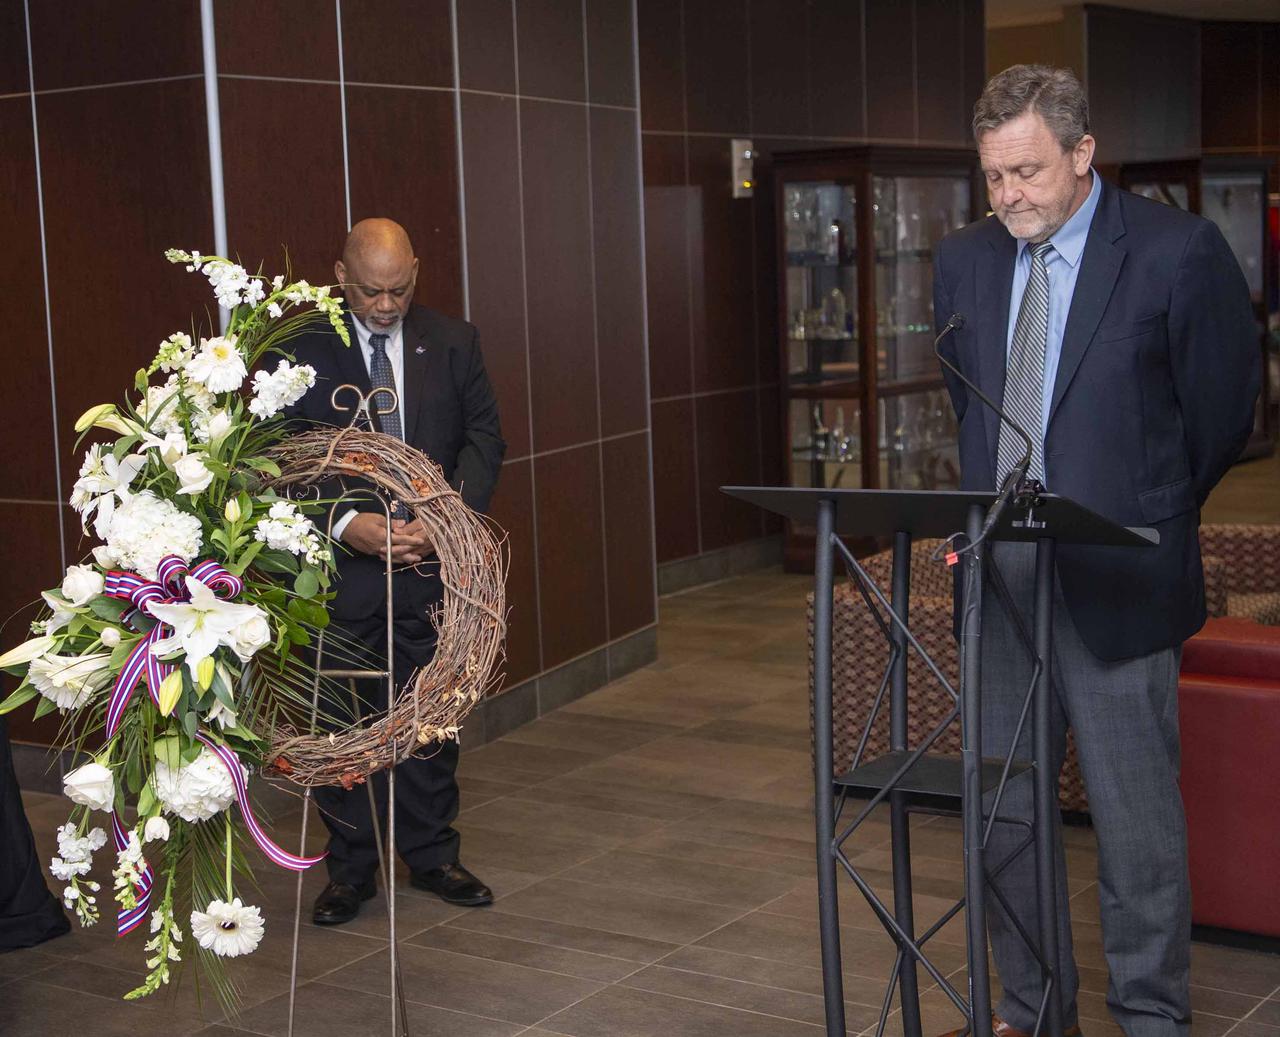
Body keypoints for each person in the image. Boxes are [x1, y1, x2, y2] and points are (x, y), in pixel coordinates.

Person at [932, 66, 1260, 1037]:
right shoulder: (964, 260)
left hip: (1118, 575)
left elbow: (1215, 417)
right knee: (1002, 821)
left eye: (1027, 171)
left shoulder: (1174, 251)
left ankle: (1149, 1014)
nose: (1009, 197)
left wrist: (1144, 511)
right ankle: (1033, 1016)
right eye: (993, 176)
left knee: (1135, 829)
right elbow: (967, 406)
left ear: (1081, 155)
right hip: (999, 583)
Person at [285, 218, 505, 925]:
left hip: (431, 567)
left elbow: (484, 438)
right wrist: (351, 527)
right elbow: (279, 458)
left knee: (431, 721)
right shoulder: (301, 350)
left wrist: (443, 521)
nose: (386, 305)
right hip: (340, 577)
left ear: (417, 268)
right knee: (340, 725)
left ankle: (434, 855)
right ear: (341, 276)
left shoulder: (453, 339)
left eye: (400, 288)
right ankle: (350, 872)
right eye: (372, 291)